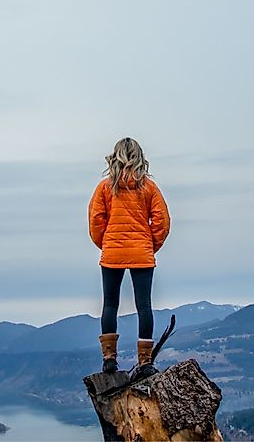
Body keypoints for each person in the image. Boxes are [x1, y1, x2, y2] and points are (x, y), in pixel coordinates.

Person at [88, 137, 171, 373]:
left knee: (110, 305)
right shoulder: (149, 188)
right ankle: (145, 362)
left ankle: (109, 360)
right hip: (141, 252)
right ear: (139, 157)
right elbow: (162, 221)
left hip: (112, 252)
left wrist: (105, 243)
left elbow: (96, 220)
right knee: (144, 306)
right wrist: (150, 245)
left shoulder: (105, 187)